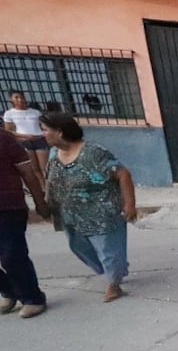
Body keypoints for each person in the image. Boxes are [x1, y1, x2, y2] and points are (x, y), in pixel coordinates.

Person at [41, 112, 136, 303]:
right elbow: (51, 181)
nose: (42, 134)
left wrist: (130, 204)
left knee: (108, 250)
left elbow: (123, 174)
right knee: (78, 247)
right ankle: (115, 268)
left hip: (102, 212)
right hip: (70, 214)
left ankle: (113, 283)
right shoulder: (53, 153)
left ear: (59, 132)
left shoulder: (94, 153)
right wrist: (47, 204)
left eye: (45, 130)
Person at [0, 130, 51, 319]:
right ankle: (9, 291)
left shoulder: (4, 139)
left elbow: (27, 172)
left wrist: (39, 201)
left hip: (8, 208)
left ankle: (33, 298)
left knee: (12, 255)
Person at [4, 90, 48, 179]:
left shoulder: (35, 112)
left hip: (39, 139)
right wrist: (25, 136)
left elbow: (43, 125)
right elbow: (9, 131)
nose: (19, 100)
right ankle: (43, 189)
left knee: (44, 167)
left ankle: (49, 186)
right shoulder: (9, 113)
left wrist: (44, 133)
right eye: (16, 97)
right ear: (11, 100)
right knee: (34, 168)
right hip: (24, 141)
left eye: (21, 97)